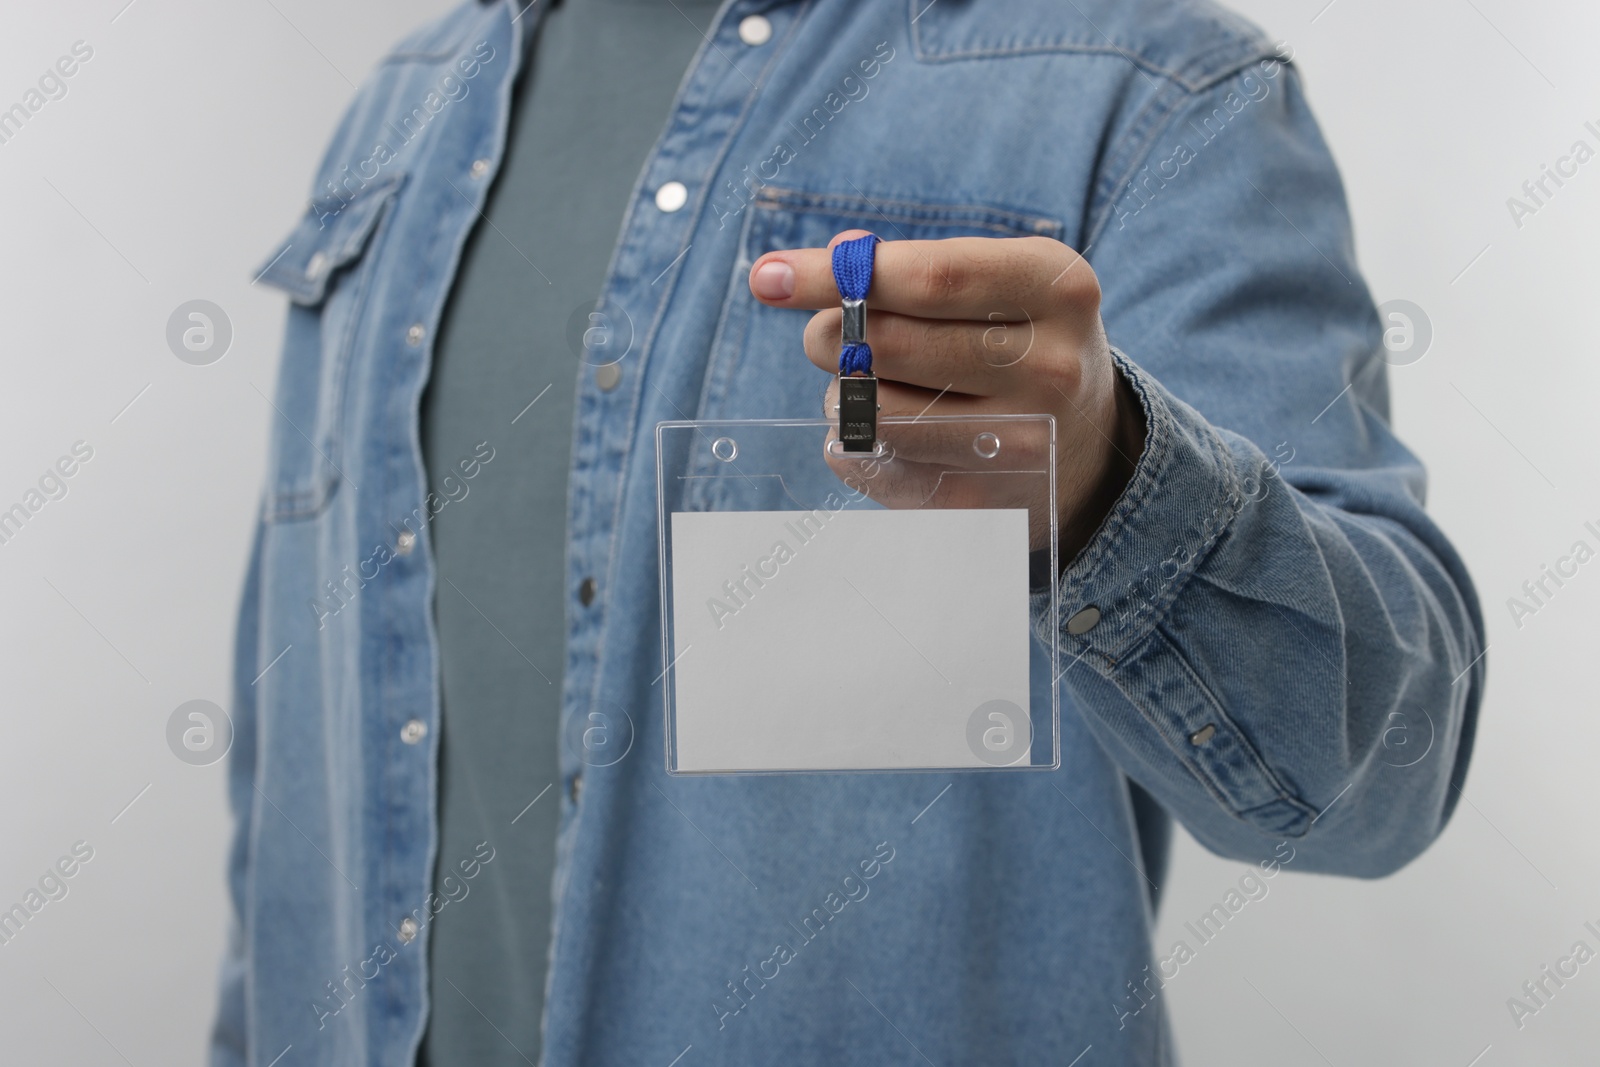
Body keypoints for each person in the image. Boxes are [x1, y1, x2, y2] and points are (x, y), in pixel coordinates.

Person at [212, 0, 1485, 1063]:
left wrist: (1109, 476)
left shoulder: (1145, 87)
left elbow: (1379, 777)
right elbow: (293, 756)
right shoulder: (404, 108)